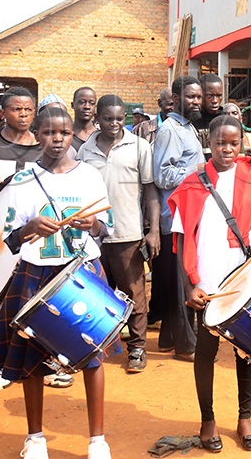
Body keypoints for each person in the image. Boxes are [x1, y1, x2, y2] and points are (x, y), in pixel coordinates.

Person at [0, 107, 114, 459]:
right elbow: (10, 238)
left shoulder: (89, 176)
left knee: (91, 353)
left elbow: (107, 225)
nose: (57, 139)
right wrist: (30, 228)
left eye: (65, 133)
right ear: (36, 135)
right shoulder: (23, 181)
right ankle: (35, 438)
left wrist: (93, 226)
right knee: (31, 355)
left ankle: (97, 440)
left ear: (74, 134)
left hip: (82, 271)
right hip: (36, 271)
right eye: (49, 133)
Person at [0, 87, 76, 399]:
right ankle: (0, 369)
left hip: (37, 237)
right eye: (16, 109)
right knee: (2, 304)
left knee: (36, 302)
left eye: (28, 110)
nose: (23, 115)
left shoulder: (45, 147)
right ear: (2, 113)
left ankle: (44, 363)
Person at [170, 115, 251, 453]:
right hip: (208, 281)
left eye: (233, 143)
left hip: (242, 278)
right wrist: (189, 287)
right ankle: (207, 420)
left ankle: (245, 417)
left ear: (242, 143)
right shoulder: (191, 184)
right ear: (208, 143)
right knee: (206, 352)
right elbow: (183, 240)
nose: (227, 149)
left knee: (247, 351)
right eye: (220, 143)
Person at [78, 94, 160, 373]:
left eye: (119, 118)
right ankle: (95, 346)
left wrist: (153, 231)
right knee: (97, 293)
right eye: (108, 118)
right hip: (92, 237)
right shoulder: (84, 151)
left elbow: (150, 190)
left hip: (128, 233)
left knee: (134, 293)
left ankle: (137, 348)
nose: (114, 124)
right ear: (97, 118)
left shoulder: (139, 146)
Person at [152, 75, 206, 361]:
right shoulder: (171, 130)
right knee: (182, 281)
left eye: (198, 97)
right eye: (191, 97)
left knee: (177, 280)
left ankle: (167, 340)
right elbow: (162, 176)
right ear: (175, 100)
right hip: (175, 218)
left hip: (186, 215)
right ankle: (186, 345)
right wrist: (198, 170)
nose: (196, 101)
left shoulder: (187, 128)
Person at [193, 73, 225, 159]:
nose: (215, 100)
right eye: (210, 96)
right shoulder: (190, 121)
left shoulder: (227, 122)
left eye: (218, 96)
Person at [70, 87, 98, 151]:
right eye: (82, 102)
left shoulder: (100, 135)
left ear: (95, 107)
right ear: (72, 105)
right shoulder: (65, 135)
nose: (87, 107)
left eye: (92, 103)